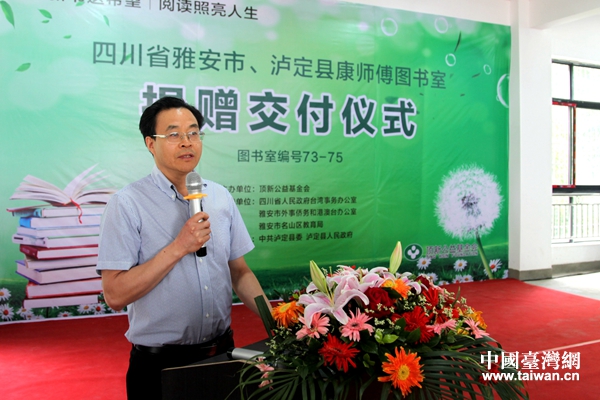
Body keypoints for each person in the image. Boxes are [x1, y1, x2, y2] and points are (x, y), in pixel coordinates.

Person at [96, 96, 270, 400]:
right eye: (174, 134)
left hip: (223, 356)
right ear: (151, 143)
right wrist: (179, 247)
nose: (187, 142)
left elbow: (240, 272)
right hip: (160, 367)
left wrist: (277, 322)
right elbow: (115, 294)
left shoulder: (219, 197)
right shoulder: (127, 204)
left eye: (193, 133)